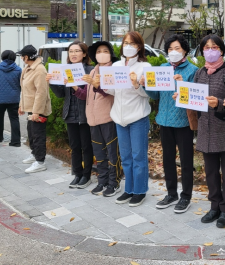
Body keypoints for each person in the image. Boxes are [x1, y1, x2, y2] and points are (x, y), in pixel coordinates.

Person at [188, 34, 225, 228]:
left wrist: (218, 103)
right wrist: (183, 96)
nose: (210, 51)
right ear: (202, 51)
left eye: (214, 47)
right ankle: (214, 206)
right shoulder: (200, 73)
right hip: (206, 129)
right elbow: (193, 96)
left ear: (221, 50)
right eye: (206, 48)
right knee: (210, 172)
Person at [142, 34, 198, 213]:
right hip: (164, 120)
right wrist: (146, 85)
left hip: (183, 122)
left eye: (177, 49)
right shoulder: (162, 69)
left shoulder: (193, 70)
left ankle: (186, 196)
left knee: (186, 160)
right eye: (170, 49)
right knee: (167, 160)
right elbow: (156, 95)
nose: (173, 52)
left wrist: (183, 86)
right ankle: (171, 193)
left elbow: (196, 97)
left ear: (185, 51)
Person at [106, 32, 151, 207]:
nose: (128, 46)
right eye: (125, 43)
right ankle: (129, 189)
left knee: (138, 156)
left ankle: (140, 191)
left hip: (138, 116)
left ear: (139, 47)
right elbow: (113, 91)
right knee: (125, 156)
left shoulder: (145, 66)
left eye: (132, 43)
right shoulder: (116, 65)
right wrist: (101, 85)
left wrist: (136, 84)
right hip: (119, 117)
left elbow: (148, 94)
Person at [75, 40, 121, 197]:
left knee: (112, 152)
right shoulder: (93, 71)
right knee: (99, 152)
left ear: (111, 54)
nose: (102, 54)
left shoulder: (113, 70)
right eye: (99, 51)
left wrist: (97, 85)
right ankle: (102, 181)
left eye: (105, 51)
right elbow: (86, 95)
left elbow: (108, 92)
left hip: (108, 118)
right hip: (92, 119)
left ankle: (114, 183)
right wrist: (74, 87)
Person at [47, 41, 94, 189]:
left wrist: (74, 84)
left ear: (84, 54)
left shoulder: (90, 70)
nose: (73, 54)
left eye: (77, 51)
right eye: (71, 51)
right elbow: (61, 94)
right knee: (74, 146)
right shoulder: (64, 70)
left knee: (86, 146)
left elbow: (90, 95)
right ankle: (77, 174)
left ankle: (87, 176)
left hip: (85, 114)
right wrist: (52, 82)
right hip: (70, 113)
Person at [17, 45, 52, 174]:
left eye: (22, 56)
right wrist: (22, 105)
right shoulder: (28, 68)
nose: (21, 58)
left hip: (39, 109)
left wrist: (37, 111)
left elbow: (41, 92)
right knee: (31, 134)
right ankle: (34, 154)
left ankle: (40, 161)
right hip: (31, 108)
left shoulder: (39, 70)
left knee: (38, 136)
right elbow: (25, 90)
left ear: (26, 57)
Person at [0, 50, 22, 146]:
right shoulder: (18, 69)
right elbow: (21, 84)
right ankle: (16, 141)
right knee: (14, 118)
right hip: (14, 98)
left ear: (3, 57)